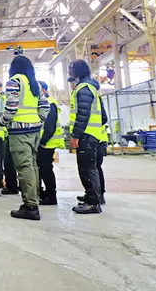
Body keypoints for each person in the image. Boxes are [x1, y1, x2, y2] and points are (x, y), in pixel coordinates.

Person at [0, 56, 50, 220]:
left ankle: (30, 206)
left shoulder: (14, 81)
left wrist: (1, 121)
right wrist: (39, 121)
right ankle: (34, 200)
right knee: (32, 166)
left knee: (24, 168)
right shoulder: (34, 83)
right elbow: (45, 105)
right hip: (35, 131)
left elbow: (11, 108)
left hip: (19, 132)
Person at [68, 60, 104, 214]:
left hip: (87, 135)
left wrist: (76, 135)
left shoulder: (83, 88)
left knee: (87, 169)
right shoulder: (89, 87)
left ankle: (93, 203)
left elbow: (83, 114)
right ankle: (91, 197)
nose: (70, 73)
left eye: (71, 70)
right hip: (90, 134)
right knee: (89, 168)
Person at [37, 81, 64, 206]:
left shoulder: (50, 103)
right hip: (41, 143)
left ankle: (51, 196)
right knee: (41, 170)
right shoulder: (40, 103)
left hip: (46, 143)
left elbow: (50, 127)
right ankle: (44, 193)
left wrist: (42, 142)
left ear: (43, 90)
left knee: (46, 170)